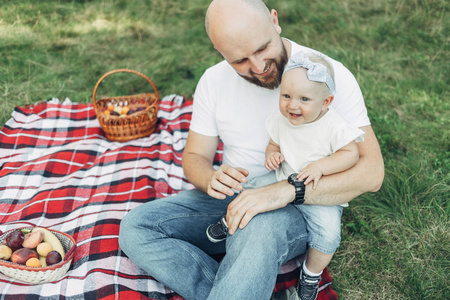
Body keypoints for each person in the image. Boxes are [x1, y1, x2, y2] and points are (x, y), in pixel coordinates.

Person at [118, 1, 384, 300]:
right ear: (220, 51)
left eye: (262, 49)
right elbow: (195, 158)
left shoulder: (324, 76)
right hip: (238, 197)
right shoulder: (213, 81)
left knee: (255, 226)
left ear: (275, 20)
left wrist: (285, 191)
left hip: (300, 205)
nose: (258, 67)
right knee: (136, 227)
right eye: (240, 60)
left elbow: (372, 173)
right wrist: (210, 178)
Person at [206, 51, 366, 299]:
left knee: (329, 234)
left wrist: (321, 166)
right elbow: (275, 142)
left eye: (304, 99)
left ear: (326, 102)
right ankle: (228, 221)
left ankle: (311, 273)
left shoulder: (334, 126)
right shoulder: (283, 120)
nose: (292, 105)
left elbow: (350, 154)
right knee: (250, 187)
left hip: (319, 192)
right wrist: (273, 154)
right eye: (286, 96)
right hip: (282, 178)